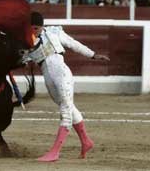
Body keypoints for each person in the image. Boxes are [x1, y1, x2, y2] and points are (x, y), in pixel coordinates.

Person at [24, 12, 110, 162]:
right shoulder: (25, 41)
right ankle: (86, 141)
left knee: (65, 110)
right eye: (31, 28)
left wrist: (92, 54)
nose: (34, 31)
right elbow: (21, 59)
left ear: (42, 26)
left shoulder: (54, 32)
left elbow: (73, 43)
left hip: (60, 70)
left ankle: (55, 151)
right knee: (69, 107)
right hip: (47, 75)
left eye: (36, 28)